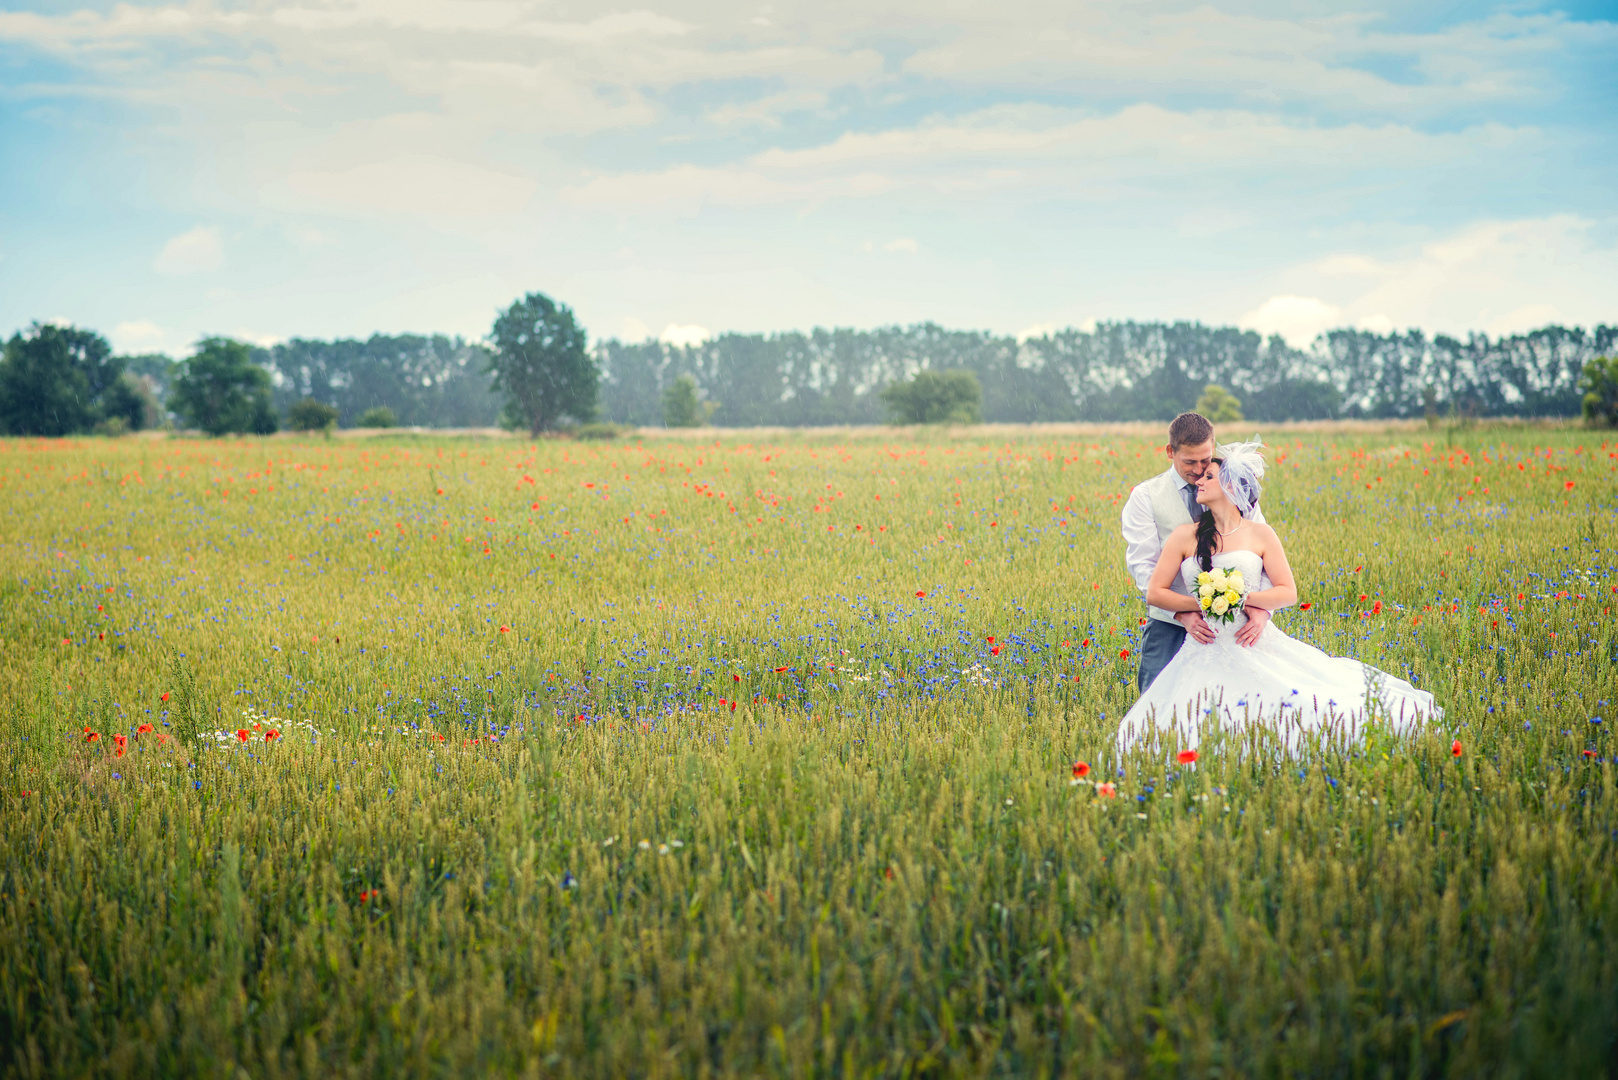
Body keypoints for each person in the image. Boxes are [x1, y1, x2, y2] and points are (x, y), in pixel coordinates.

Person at [1113, 440, 1440, 755]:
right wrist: (1199, 606)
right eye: (1196, 469)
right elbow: (1154, 588)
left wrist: (1249, 604)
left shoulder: (1259, 532)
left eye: (1209, 475)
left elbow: (1286, 590)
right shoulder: (1181, 530)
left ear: (1230, 488)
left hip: (1249, 638)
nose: (1200, 478)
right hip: (1200, 643)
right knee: (1168, 718)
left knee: (1285, 706)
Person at [1121, 412, 1269, 693]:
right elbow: (1144, 566)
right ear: (1170, 452)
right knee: (1157, 701)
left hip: (1235, 624)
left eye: (1205, 459)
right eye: (1190, 462)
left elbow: (1261, 556)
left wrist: (1262, 612)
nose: (1200, 470)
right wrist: (1181, 612)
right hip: (1169, 623)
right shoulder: (1145, 496)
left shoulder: (1235, 489)